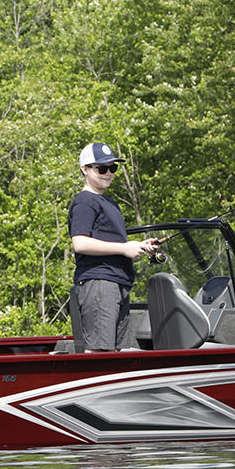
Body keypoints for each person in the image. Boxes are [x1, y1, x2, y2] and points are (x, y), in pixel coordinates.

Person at [69, 142, 160, 351]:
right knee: (101, 352)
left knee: (116, 352)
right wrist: (124, 248)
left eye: (113, 168)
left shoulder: (109, 203)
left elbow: (115, 241)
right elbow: (80, 243)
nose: (108, 173)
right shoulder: (85, 202)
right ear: (85, 169)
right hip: (100, 283)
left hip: (117, 283)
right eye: (102, 168)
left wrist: (141, 245)